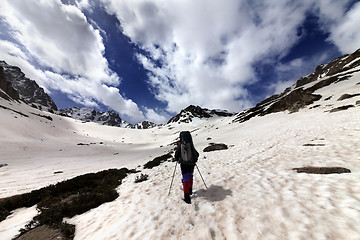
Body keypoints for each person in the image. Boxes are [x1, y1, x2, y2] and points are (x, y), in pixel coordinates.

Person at [174, 131, 199, 204]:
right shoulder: (191, 145)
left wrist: (178, 158)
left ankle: (186, 196)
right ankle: (190, 190)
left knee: (185, 178)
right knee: (190, 176)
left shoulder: (180, 146)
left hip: (183, 164)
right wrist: (194, 160)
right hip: (191, 164)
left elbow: (176, 156)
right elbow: (197, 154)